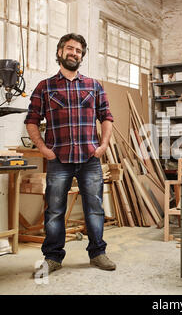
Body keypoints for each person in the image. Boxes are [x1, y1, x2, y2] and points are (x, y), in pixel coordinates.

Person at [25, 33, 116, 277]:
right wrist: (43, 148)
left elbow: (106, 117)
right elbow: (31, 120)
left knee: (95, 208)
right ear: (59, 52)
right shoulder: (45, 87)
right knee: (54, 210)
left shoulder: (94, 85)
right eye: (69, 48)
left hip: (90, 159)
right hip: (59, 160)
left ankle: (98, 253)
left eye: (78, 50)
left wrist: (103, 145)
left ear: (81, 56)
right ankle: (53, 257)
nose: (74, 53)